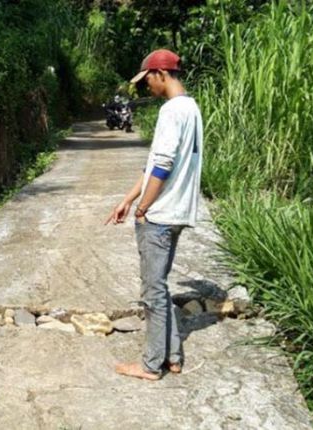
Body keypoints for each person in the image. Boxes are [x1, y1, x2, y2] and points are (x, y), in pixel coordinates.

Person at [104, 49, 203, 381]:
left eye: (147, 79)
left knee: (152, 292)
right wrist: (128, 199)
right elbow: (153, 165)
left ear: (161, 74)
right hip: (177, 213)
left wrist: (143, 207)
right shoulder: (191, 108)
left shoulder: (171, 112)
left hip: (159, 216)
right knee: (159, 287)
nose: (146, 86)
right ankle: (173, 356)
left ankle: (150, 365)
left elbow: (162, 165)